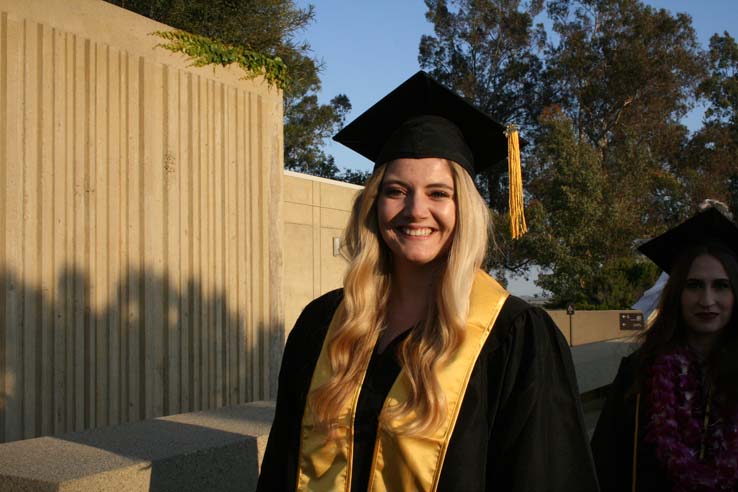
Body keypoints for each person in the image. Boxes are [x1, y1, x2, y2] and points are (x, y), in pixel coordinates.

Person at [257, 71, 599, 491]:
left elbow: (543, 477)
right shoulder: (325, 324)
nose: (416, 211)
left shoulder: (514, 337)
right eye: (396, 191)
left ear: (464, 208)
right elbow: (282, 464)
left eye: (439, 193)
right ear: (373, 204)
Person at [591, 207, 738, 492]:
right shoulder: (639, 375)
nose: (707, 300)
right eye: (693, 286)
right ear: (676, 295)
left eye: (721, 286)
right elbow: (606, 468)